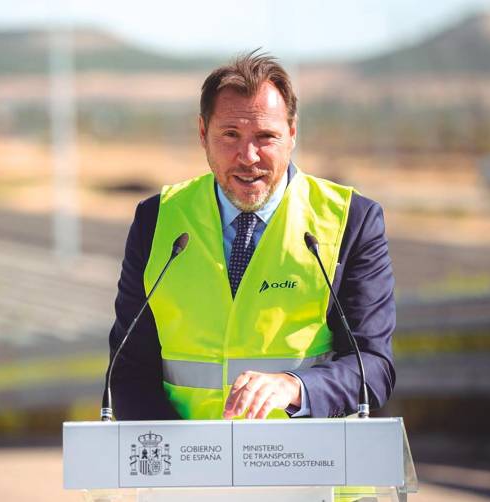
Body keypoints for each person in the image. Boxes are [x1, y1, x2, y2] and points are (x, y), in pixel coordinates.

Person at [107, 51, 396, 421]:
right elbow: (129, 368)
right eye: (230, 135)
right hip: (189, 472)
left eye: (266, 136)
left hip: (312, 471)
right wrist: (187, 462)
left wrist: (296, 387)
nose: (248, 156)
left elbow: (373, 367)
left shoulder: (351, 220)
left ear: (292, 134)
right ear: (202, 134)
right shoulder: (157, 219)